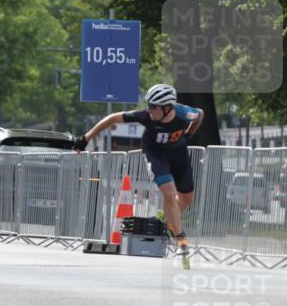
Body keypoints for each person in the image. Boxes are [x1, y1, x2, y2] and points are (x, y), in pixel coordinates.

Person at [75, 84, 203, 265]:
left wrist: (189, 135)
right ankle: (182, 244)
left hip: (178, 154)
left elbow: (201, 115)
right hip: (155, 154)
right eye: (148, 105)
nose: (149, 109)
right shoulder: (145, 116)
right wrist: (85, 139)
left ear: (167, 108)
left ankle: (165, 219)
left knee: (187, 200)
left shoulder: (184, 113)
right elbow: (112, 118)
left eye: (153, 106)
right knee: (168, 193)